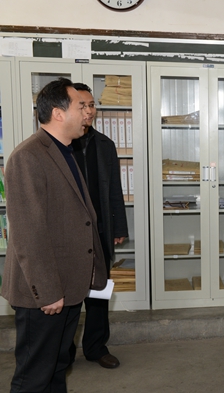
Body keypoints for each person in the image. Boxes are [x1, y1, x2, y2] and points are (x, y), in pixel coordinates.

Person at [1, 77, 107, 392]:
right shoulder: (28, 156)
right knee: (34, 376)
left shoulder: (64, 152)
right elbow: (28, 232)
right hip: (45, 295)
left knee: (58, 368)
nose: (88, 112)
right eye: (80, 106)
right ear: (58, 113)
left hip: (68, 287)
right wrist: (47, 291)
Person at [70, 83, 128, 369]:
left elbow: (114, 189)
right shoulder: (59, 145)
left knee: (98, 294)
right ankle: (63, 352)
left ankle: (96, 347)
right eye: (82, 105)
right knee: (69, 297)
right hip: (69, 235)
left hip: (100, 231)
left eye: (92, 105)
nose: (89, 111)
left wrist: (119, 228)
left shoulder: (105, 145)